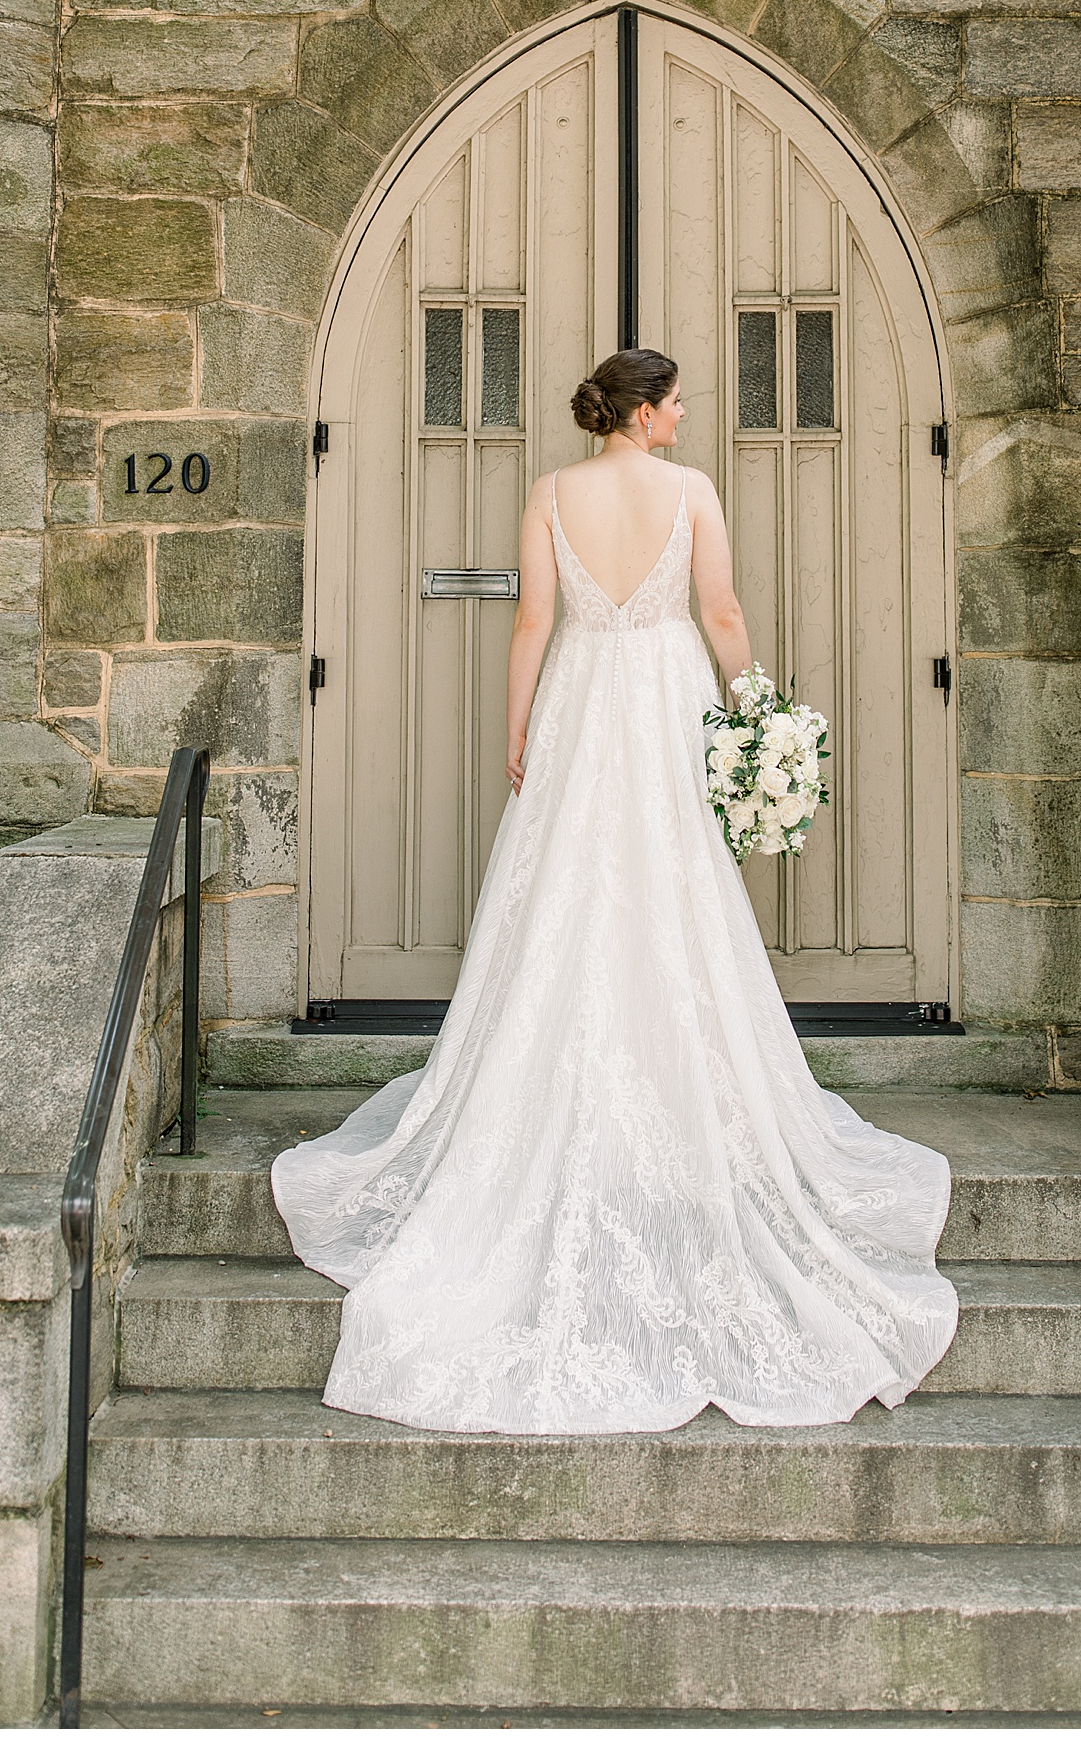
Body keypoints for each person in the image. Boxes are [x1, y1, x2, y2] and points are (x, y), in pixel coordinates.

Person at [270, 347, 958, 1433]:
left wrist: (517, 726)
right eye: (676, 399)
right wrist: (758, 710)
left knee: (571, 892)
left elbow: (532, 622)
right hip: (670, 694)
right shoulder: (690, 493)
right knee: (670, 892)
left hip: (587, 697)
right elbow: (721, 609)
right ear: (641, 412)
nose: (686, 413)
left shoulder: (552, 492)